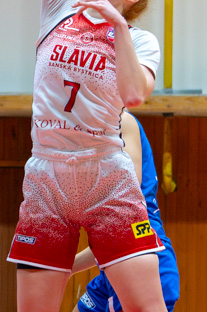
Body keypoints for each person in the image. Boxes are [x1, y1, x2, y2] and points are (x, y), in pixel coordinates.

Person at [7, 0, 167, 312]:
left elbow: (135, 96)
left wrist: (116, 26)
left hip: (105, 173)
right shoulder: (60, 5)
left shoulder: (139, 39)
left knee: (147, 308)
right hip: (48, 172)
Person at [73, 113, 180, 312]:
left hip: (143, 251)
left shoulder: (119, 120)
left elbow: (131, 183)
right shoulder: (79, 131)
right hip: (113, 256)